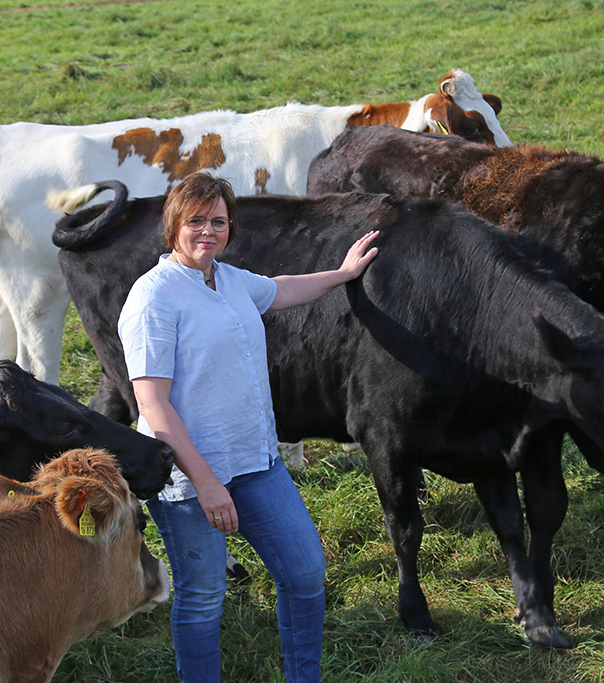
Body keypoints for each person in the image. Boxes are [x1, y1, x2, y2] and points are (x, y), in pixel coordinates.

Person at [118, 172, 379, 683]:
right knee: (203, 595)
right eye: (195, 221)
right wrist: (207, 484)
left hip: (256, 461)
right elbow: (153, 406)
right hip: (188, 479)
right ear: (174, 225)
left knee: (305, 574)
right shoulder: (153, 298)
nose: (207, 232)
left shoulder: (229, 279)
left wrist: (343, 273)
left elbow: (278, 290)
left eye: (218, 222)